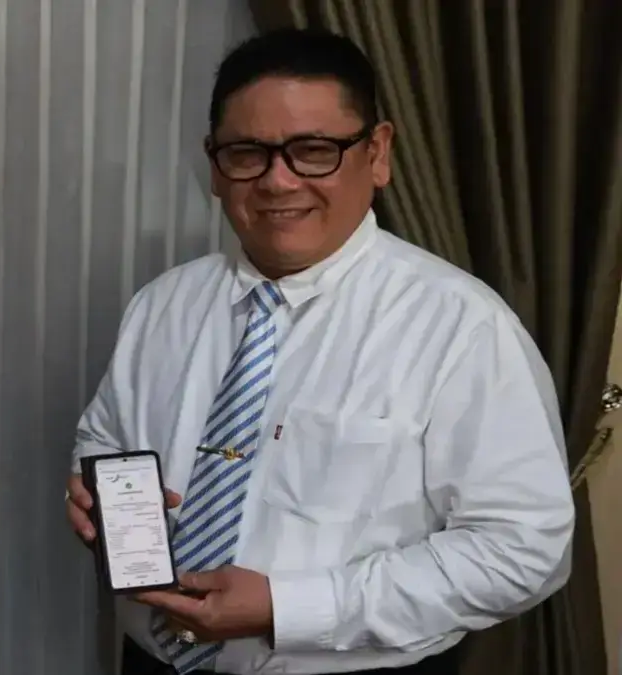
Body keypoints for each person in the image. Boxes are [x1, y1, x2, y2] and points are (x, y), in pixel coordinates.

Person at [65, 28, 574, 675]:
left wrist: (290, 606)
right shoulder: (162, 304)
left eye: (313, 151)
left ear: (377, 153)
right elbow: (105, 436)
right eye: (247, 153)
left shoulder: (462, 326)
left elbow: (521, 549)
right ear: (214, 165)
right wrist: (93, 490)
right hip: (151, 661)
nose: (278, 181)